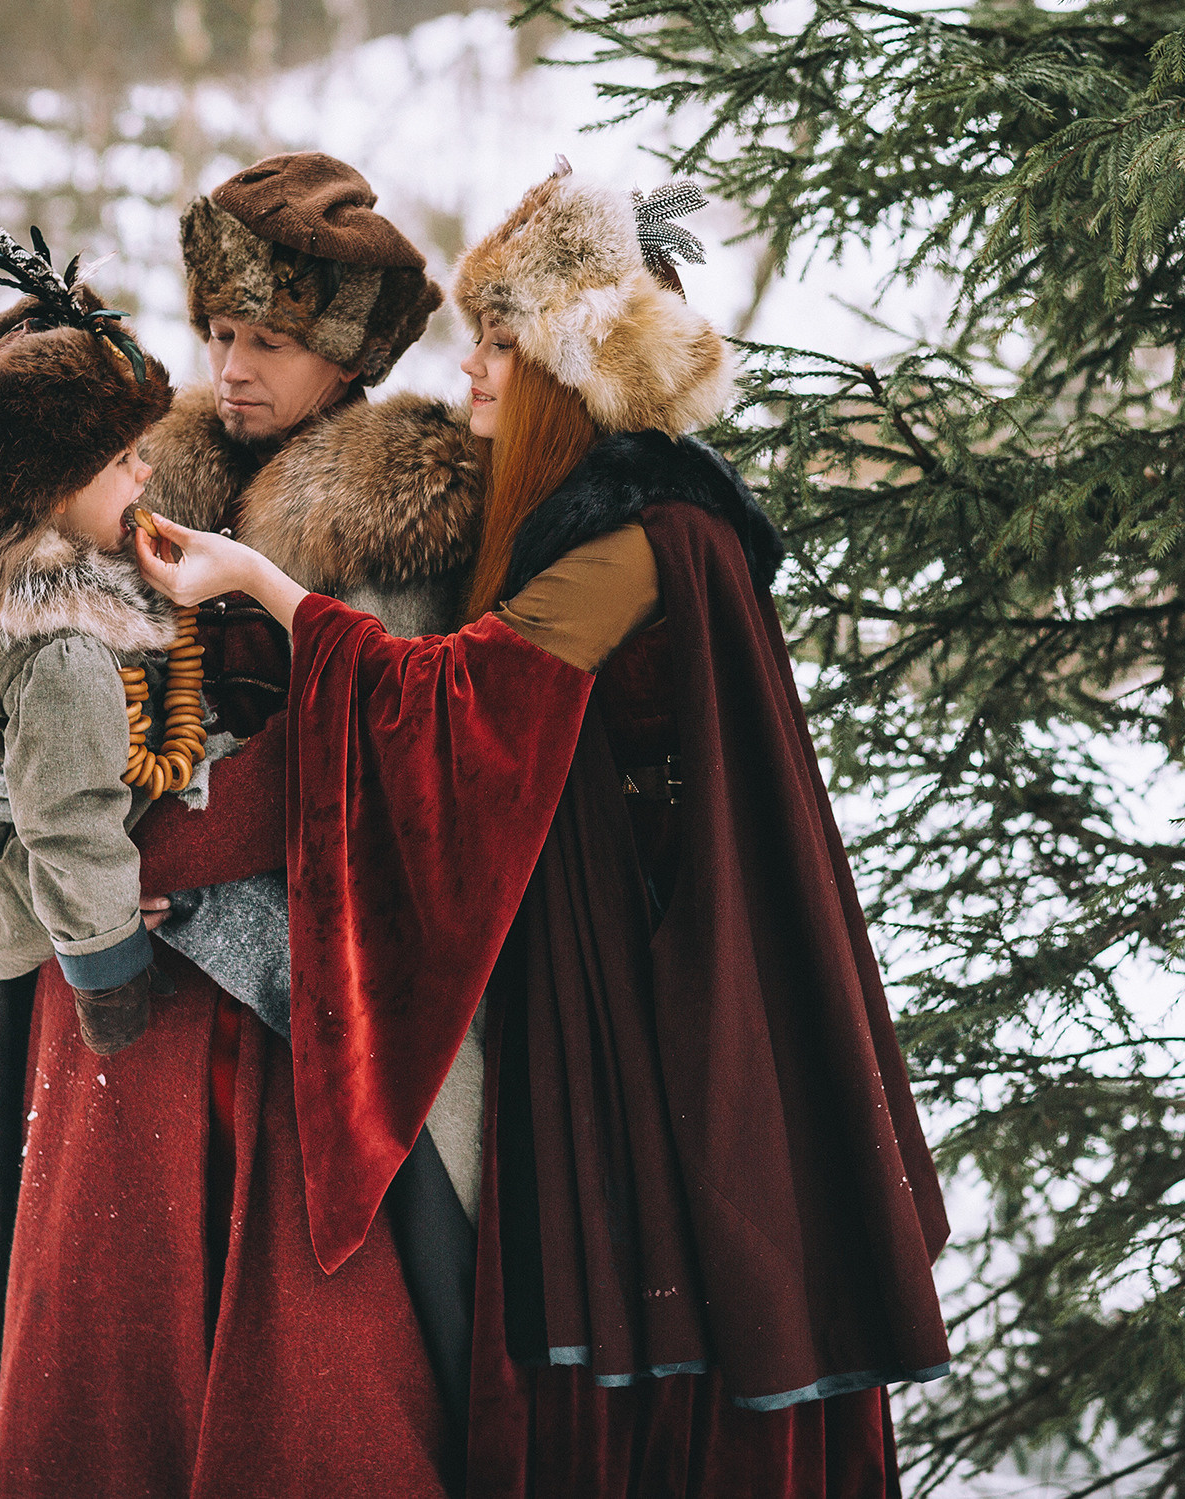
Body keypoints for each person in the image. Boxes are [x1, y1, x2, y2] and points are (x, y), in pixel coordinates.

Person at [135, 162, 953, 1497]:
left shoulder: (637, 535)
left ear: (570, 373)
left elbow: (445, 704)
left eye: (500, 345)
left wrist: (265, 585)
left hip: (657, 987)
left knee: (668, 1274)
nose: (471, 372)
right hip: (631, 962)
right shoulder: (623, 515)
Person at [0, 155, 481, 1498]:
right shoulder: (131, 475)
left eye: (271, 341)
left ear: (345, 353)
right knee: (107, 1302)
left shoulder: (409, 517)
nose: (234, 367)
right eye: (220, 332)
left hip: (298, 1002)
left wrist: (187, 836)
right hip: (117, 990)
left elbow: (401, 748)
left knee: (309, 1344)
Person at [0, 262, 179, 1058]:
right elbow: (73, 826)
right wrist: (112, 966)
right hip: (9, 891)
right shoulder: (67, 656)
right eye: (123, 460)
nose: (146, 472)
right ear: (55, 491)